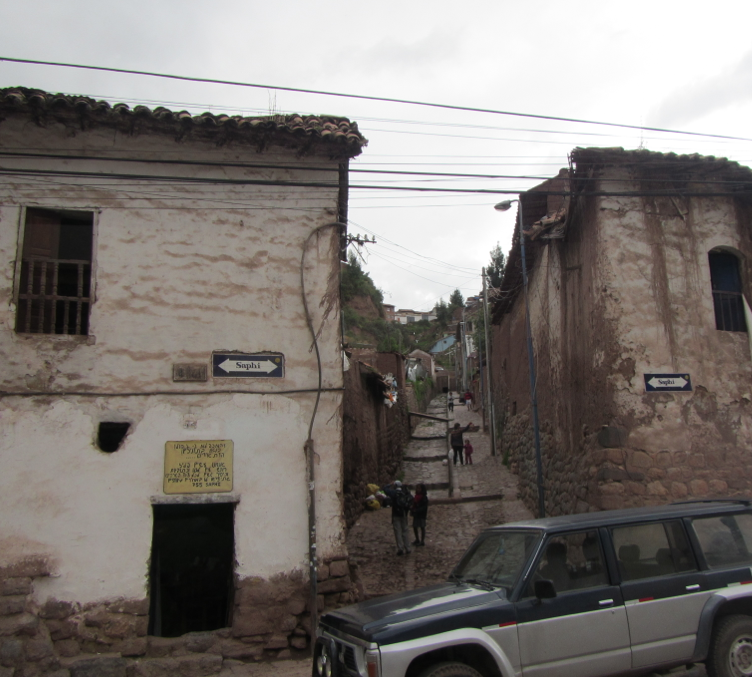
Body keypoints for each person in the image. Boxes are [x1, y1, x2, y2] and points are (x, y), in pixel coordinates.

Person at [384, 480, 413, 555]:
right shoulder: (405, 492)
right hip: (404, 514)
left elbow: (385, 489)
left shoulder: (394, 493)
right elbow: (411, 498)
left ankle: (400, 548)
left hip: (396, 514)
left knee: (398, 532)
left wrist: (390, 484)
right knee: (405, 531)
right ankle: (408, 548)